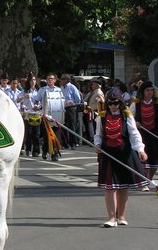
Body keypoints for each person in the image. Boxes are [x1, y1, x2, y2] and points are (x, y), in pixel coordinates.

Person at [94, 87, 148, 227]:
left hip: (125, 154)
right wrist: (98, 145)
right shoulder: (102, 116)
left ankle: (121, 216)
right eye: (110, 103)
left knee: (124, 186)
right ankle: (112, 218)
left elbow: (134, 134)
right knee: (110, 187)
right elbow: (98, 134)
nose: (113, 106)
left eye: (116, 103)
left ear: (120, 102)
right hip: (107, 154)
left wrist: (141, 150)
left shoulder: (127, 115)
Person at [130, 80, 158, 186]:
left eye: (151, 90)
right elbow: (129, 118)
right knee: (143, 158)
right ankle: (144, 180)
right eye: (147, 90)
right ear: (142, 92)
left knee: (154, 159)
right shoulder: (136, 104)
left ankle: (148, 179)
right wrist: (135, 122)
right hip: (142, 134)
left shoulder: (156, 103)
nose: (150, 92)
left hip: (155, 134)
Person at [33, 73, 65, 161]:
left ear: (55, 80)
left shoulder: (59, 90)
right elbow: (36, 100)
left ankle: (55, 154)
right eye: (48, 79)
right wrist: (36, 106)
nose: (50, 80)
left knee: (57, 136)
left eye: (52, 79)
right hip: (46, 116)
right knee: (48, 136)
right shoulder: (42, 90)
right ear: (46, 80)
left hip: (57, 117)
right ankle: (45, 150)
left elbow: (61, 102)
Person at [18, 73, 41, 157]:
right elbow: (18, 100)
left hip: (37, 113)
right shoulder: (25, 91)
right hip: (28, 114)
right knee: (29, 133)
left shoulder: (39, 91)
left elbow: (42, 101)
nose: (33, 82)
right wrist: (24, 97)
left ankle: (36, 150)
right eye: (31, 80)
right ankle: (28, 148)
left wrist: (38, 106)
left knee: (37, 134)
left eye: (34, 80)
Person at [60, 73, 82, 148]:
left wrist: (72, 103)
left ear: (66, 80)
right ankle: (65, 143)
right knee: (63, 124)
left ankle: (73, 142)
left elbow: (78, 99)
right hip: (62, 108)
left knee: (72, 125)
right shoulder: (61, 88)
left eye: (62, 79)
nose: (61, 81)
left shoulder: (72, 87)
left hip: (70, 108)